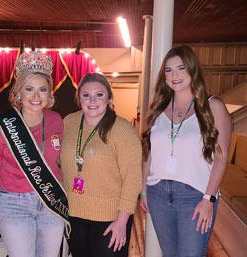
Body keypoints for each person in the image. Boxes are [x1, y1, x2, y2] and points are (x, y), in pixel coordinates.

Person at [140, 45, 231, 257]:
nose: (175, 75)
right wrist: (143, 189)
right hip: (158, 193)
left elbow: (222, 156)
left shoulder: (213, 106)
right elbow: (148, 152)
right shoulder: (158, 108)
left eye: (181, 68)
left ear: (192, 70)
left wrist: (208, 199)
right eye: (169, 70)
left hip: (194, 196)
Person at [0, 51, 68, 257]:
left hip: (50, 201)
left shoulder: (56, 120)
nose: (36, 96)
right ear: (18, 93)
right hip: (14, 203)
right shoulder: (3, 125)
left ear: (49, 94)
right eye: (29, 89)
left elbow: (61, 161)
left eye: (42, 90)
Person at [60, 73, 142, 257]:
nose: (92, 100)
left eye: (99, 94)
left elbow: (133, 178)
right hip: (74, 215)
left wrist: (122, 221)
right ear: (79, 97)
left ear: (109, 98)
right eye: (86, 95)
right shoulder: (68, 123)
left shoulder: (122, 130)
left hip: (110, 218)